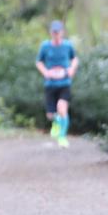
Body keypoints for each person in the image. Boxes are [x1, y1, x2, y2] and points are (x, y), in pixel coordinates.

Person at [35, 20, 78, 148]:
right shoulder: (45, 46)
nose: (56, 35)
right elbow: (39, 62)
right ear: (51, 33)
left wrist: (71, 69)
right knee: (50, 115)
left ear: (62, 32)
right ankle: (56, 122)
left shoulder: (68, 45)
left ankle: (62, 137)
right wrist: (45, 72)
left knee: (62, 108)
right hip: (50, 84)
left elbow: (74, 59)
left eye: (58, 32)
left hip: (64, 83)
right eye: (54, 32)